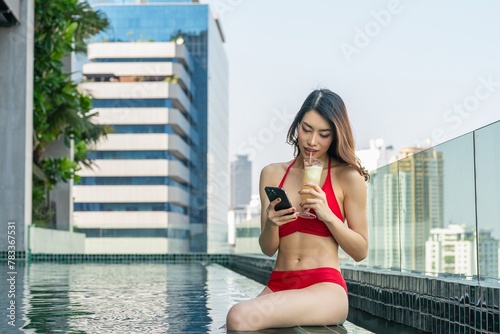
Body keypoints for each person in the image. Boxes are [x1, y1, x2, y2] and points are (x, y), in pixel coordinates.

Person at [226, 88, 370, 331]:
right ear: (296, 126)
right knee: (234, 324)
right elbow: (268, 249)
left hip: (325, 287)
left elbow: (361, 251)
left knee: (238, 317)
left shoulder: (348, 177)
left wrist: (328, 216)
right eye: (306, 129)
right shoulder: (272, 174)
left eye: (323, 134)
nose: (312, 141)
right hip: (279, 283)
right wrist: (272, 223)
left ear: (335, 136)